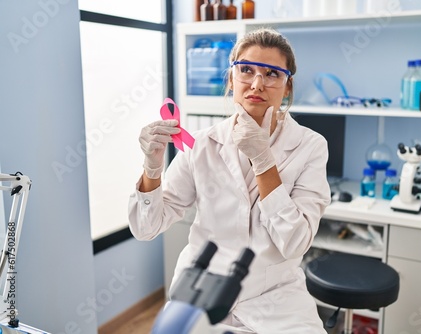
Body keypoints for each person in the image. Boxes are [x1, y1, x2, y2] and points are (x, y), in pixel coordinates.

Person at [129, 27, 331, 334]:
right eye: (246, 70)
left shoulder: (310, 146)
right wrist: (152, 167)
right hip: (200, 288)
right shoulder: (201, 144)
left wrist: (264, 162)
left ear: (287, 87)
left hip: (275, 300)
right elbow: (146, 228)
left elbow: (295, 242)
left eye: (272, 74)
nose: (257, 83)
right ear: (231, 79)